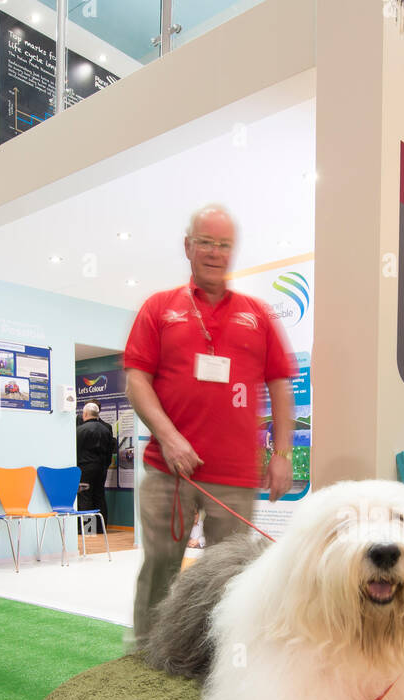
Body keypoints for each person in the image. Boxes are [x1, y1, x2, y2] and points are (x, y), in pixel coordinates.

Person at [124, 204, 295, 641]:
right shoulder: (158, 308)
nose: (215, 253)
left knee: (229, 575)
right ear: (188, 246)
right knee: (160, 565)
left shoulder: (257, 315)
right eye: (205, 242)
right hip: (169, 470)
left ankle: (217, 658)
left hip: (235, 475)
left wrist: (282, 455)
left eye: (224, 245)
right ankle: (145, 654)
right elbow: (136, 380)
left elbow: (280, 386)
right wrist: (169, 437)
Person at [75, 402, 115, 526]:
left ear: (85, 414)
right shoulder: (106, 430)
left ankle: (89, 529)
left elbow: (77, 450)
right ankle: (101, 527)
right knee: (99, 496)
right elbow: (110, 451)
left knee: (85, 496)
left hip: (85, 469)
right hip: (102, 468)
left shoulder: (80, 430)